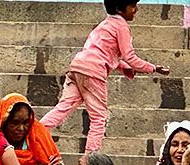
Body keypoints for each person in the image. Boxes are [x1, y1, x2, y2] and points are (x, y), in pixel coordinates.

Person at [39, 0, 171, 151]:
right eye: (132, 6)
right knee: (99, 118)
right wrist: (154, 68)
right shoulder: (121, 26)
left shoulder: (104, 24)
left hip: (77, 67)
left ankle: (33, 136)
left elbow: (109, 56)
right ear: (120, 9)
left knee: (62, 108)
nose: (136, 10)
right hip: (93, 72)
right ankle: (90, 160)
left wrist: (129, 69)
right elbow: (130, 57)